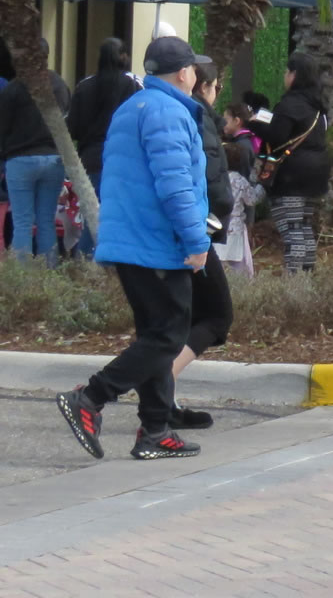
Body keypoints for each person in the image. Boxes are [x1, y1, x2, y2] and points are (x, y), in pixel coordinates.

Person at [55, 37, 211, 462]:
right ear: (184, 73)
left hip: (131, 241)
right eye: (194, 69)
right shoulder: (168, 112)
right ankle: (90, 397)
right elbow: (174, 185)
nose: (197, 75)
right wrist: (196, 241)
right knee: (168, 335)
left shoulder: (133, 107)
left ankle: (155, 430)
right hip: (157, 243)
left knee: (156, 335)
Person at [168, 60, 238, 432]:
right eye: (215, 87)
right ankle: (162, 381)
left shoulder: (167, 111)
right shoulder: (197, 116)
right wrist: (218, 214)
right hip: (194, 231)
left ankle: (165, 399)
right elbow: (207, 179)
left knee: (182, 316)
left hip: (179, 229)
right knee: (217, 314)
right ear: (204, 85)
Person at [66, 37, 140, 259]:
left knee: (92, 216)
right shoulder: (133, 85)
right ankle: (105, 263)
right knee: (116, 217)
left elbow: (72, 128)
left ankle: (84, 261)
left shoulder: (84, 86)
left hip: (90, 161)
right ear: (124, 56)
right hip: (122, 161)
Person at [263, 53, 332, 273]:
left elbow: (276, 137)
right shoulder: (318, 105)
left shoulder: (290, 104)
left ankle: (294, 280)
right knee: (304, 227)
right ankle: (306, 275)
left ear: (294, 75)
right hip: (317, 173)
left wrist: (254, 125)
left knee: (291, 229)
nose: (285, 75)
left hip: (292, 175)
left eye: (287, 71)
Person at [0, 53, 71, 266]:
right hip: (53, 158)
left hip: (20, 159)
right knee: (46, 221)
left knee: (22, 223)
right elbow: (68, 118)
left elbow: (2, 126)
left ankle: (24, 277)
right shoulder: (59, 84)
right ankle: (49, 272)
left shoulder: (14, 87)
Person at [215, 143, 262, 279]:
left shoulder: (215, 179)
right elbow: (252, 200)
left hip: (216, 225)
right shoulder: (240, 181)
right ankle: (240, 285)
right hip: (235, 227)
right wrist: (262, 186)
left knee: (218, 260)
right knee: (237, 263)